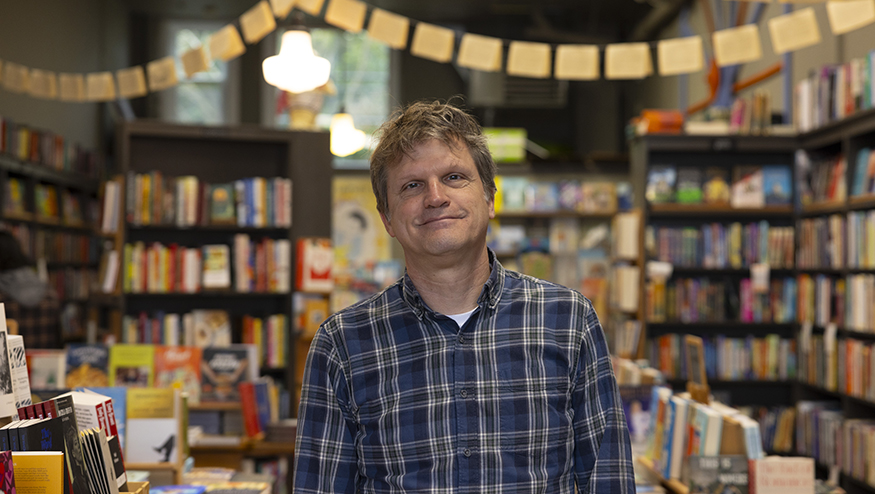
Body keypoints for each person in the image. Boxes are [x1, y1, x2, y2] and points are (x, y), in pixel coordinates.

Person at [293, 100, 634, 493]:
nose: (435, 197)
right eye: (412, 185)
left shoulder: (569, 320)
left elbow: (609, 480)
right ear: (387, 218)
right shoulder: (342, 344)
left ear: (490, 199)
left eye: (454, 177)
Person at [0, 231, 59, 348]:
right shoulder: (49, 292)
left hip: (12, 359)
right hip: (47, 358)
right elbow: (58, 340)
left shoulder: (2, 296)